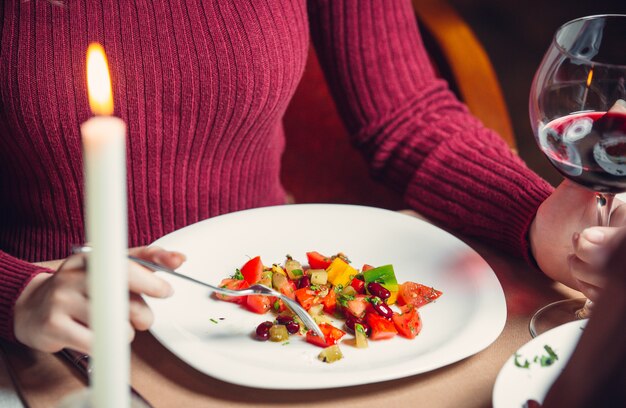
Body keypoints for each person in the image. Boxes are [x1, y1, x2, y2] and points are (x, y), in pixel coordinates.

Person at [0, 0, 622, 354]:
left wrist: (535, 217)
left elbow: (405, 114)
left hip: (264, 321)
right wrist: (18, 295)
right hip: (58, 332)